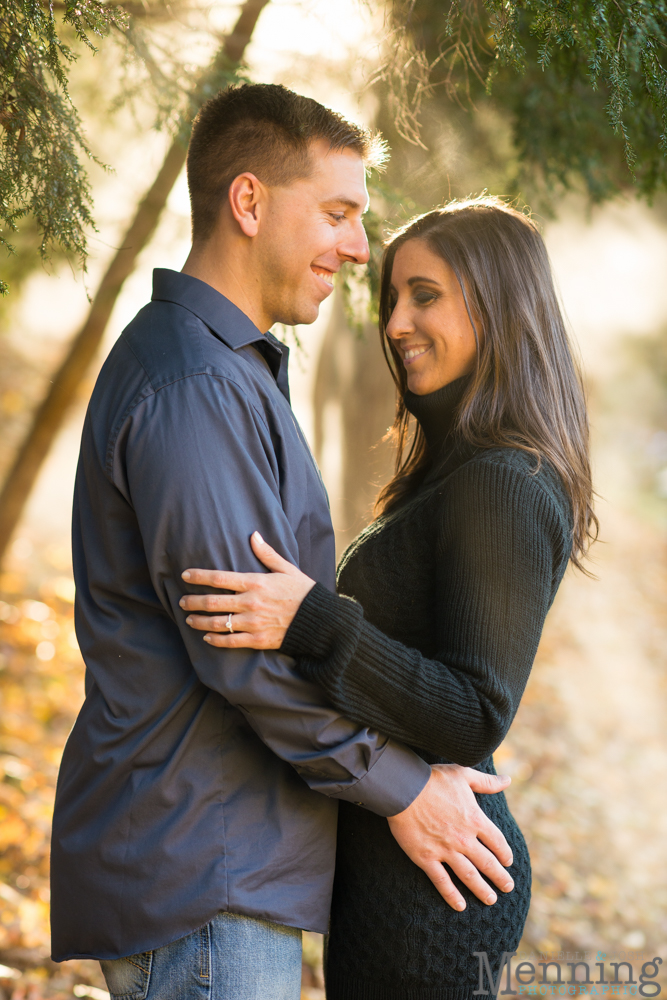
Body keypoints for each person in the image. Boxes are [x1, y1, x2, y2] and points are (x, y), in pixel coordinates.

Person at [50, 87, 516, 1000]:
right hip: (203, 871)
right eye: (337, 213)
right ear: (250, 201)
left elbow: (280, 626)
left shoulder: (229, 370)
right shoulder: (193, 387)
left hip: (226, 864)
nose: (354, 248)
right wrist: (405, 789)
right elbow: (245, 655)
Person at [179, 196, 598, 999]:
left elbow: (475, 710)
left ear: (501, 303)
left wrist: (311, 621)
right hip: (397, 872)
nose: (397, 322)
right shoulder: (453, 473)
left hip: (430, 899)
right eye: (392, 300)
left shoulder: (503, 483)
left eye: (426, 295)